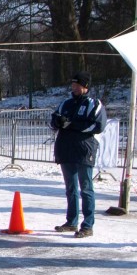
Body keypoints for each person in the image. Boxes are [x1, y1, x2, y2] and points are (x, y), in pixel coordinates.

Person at [49, 72, 106, 238]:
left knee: (86, 188)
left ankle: (87, 225)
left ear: (85, 86)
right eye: (72, 85)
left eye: (77, 85)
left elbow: (98, 126)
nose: (74, 88)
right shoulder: (65, 103)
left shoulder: (94, 104)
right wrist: (57, 122)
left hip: (84, 151)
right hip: (66, 150)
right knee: (71, 188)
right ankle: (71, 221)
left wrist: (71, 124)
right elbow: (53, 121)